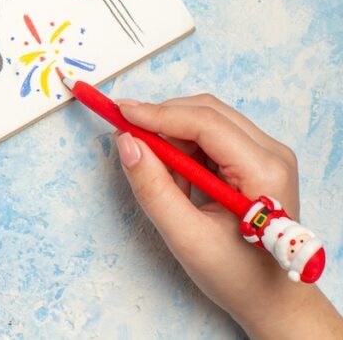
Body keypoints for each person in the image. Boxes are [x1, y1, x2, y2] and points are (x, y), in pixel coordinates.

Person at [114, 94, 343, 339]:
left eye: (295, 250)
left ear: (290, 267)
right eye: (301, 243)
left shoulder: (272, 243)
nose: (295, 244)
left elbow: (254, 237)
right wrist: (284, 308)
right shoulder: (278, 222)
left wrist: (280, 308)